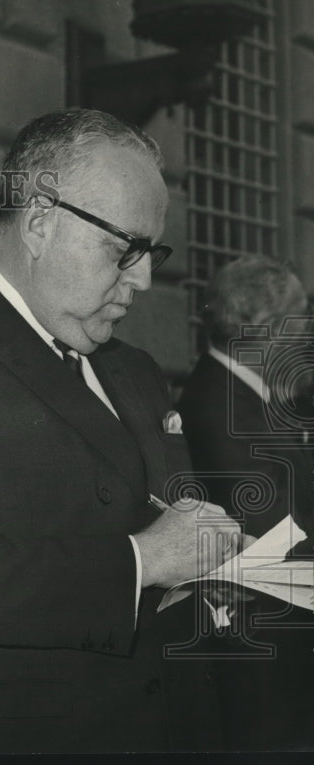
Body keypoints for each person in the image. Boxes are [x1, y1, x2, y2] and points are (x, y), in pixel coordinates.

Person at [0, 107, 237, 754]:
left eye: (150, 252)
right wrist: (145, 560)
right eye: (124, 249)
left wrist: (210, 564)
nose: (142, 278)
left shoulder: (133, 370)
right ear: (40, 223)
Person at [177, 255, 314, 749]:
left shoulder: (255, 396)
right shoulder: (217, 406)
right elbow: (280, 532)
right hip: (266, 658)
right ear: (265, 329)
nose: (310, 332)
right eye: (303, 315)